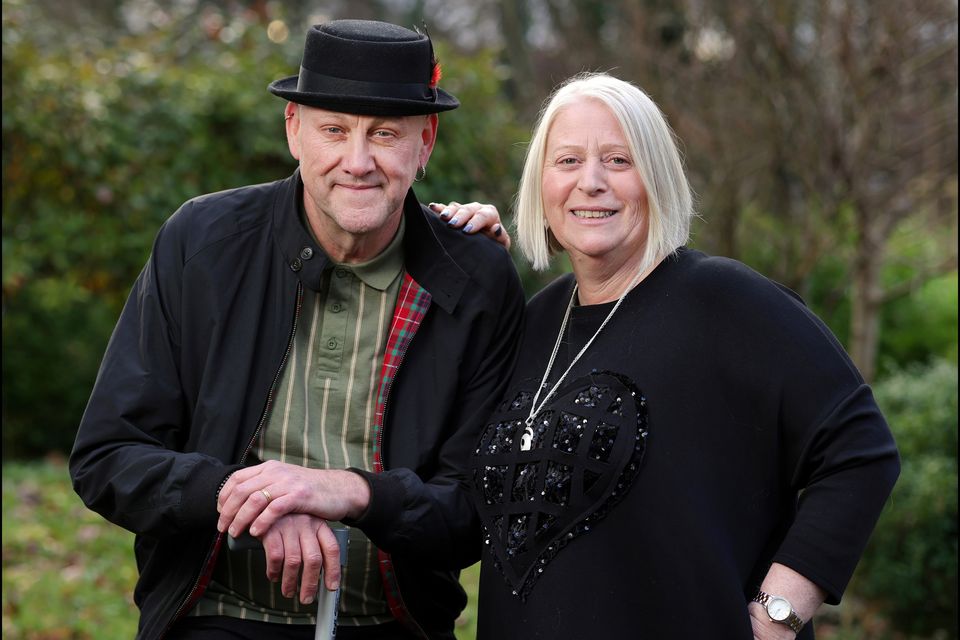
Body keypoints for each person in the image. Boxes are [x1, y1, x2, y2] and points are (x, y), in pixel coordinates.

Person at [69, 19, 524, 640]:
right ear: (294, 132)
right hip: (215, 617)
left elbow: (473, 512)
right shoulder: (203, 244)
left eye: (385, 134)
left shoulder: (474, 277)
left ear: (426, 144)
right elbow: (108, 457)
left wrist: (351, 492)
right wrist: (245, 501)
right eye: (333, 130)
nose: (357, 161)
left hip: (393, 624)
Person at [447, 73, 900, 639]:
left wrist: (776, 615)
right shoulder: (534, 323)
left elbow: (860, 449)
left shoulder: (723, 301)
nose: (590, 182)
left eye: (618, 160)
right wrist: (462, 259)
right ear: (539, 184)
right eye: (567, 161)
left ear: (656, 178)